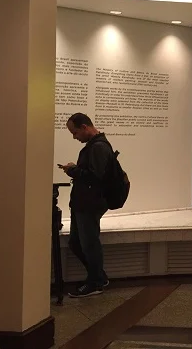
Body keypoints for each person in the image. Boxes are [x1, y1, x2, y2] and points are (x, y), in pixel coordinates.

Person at [59, 113, 112, 298]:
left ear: (84, 127)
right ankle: (99, 277)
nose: (74, 137)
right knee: (76, 242)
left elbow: (95, 177)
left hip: (90, 203)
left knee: (89, 244)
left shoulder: (98, 147)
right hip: (83, 203)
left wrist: (73, 170)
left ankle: (95, 283)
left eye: (75, 133)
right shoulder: (94, 146)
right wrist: (75, 169)